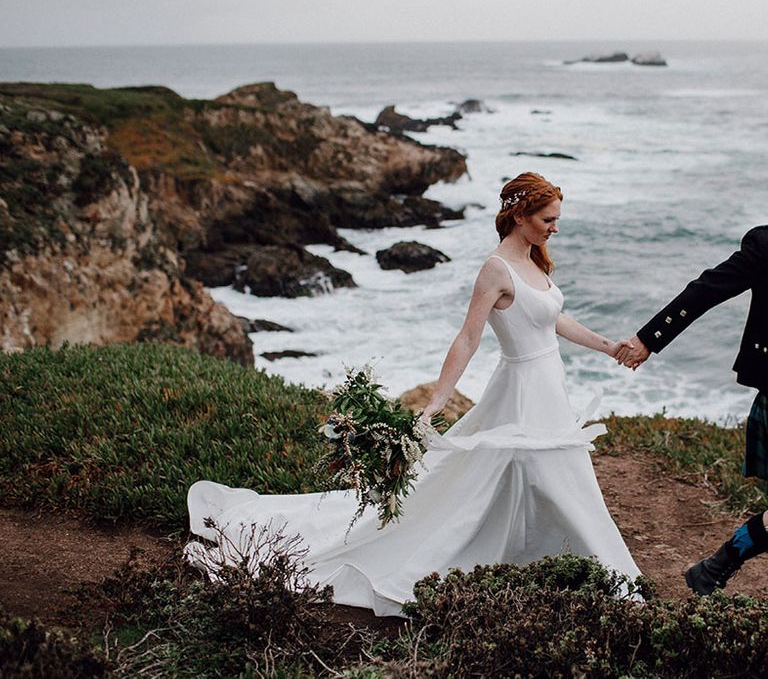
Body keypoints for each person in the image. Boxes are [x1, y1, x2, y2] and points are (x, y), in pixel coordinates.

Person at [185, 172, 641, 616]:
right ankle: (590, 571)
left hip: (549, 385)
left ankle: (561, 560)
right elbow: (467, 339)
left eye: (557, 219)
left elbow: (552, 320)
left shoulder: (535, 261)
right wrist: (436, 404)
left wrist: (607, 347)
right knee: (534, 469)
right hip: (521, 388)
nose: (555, 228)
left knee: (547, 471)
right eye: (548, 220)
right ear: (520, 216)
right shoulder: (495, 270)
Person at [616, 225, 768, 595]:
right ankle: (717, 566)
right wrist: (650, 338)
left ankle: (715, 567)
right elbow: (706, 290)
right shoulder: (765, 246)